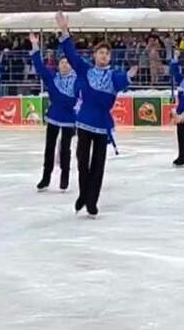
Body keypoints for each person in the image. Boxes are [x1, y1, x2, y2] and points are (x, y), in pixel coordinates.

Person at [55, 11, 138, 217]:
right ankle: (84, 194)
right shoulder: (85, 70)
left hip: (102, 123)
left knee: (98, 164)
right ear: (95, 55)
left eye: (106, 54)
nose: (103, 56)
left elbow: (122, 80)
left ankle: (92, 201)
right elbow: (72, 54)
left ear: (110, 57)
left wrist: (129, 75)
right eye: (100, 53)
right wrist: (65, 30)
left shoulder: (113, 76)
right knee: (82, 160)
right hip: (84, 121)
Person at [29, 33, 77, 192]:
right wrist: (35, 46)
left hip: (70, 119)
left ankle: (65, 178)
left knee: (65, 149)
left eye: (67, 63)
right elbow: (40, 67)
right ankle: (46, 177)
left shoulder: (77, 80)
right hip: (54, 117)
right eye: (62, 63)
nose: (64, 65)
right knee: (49, 148)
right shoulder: (52, 78)